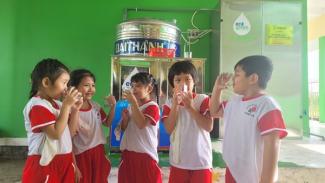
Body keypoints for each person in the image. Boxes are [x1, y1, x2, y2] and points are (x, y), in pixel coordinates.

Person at [210, 55, 288, 183]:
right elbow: (214, 111)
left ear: (253, 78)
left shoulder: (267, 105)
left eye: (237, 75)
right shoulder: (235, 102)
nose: (233, 79)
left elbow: (272, 144)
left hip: (253, 176)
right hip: (233, 170)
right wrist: (217, 89)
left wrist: (266, 180)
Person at [22, 58, 81, 183]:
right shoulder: (37, 105)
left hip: (64, 160)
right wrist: (66, 106)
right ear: (46, 82)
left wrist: (74, 110)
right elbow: (55, 134)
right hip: (45, 163)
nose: (66, 88)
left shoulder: (59, 105)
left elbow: (69, 132)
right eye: (64, 83)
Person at [161, 60, 213, 183]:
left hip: (201, 161)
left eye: (187, 79)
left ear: (194, 81)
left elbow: (208, 126)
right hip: (179, 161)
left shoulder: (203, 99)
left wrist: (190, 107)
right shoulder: (169, 103)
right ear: (172, 84)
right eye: (178, 80)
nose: (183, 83)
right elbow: (168, 129)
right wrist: (175, 105)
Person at [68, 69, 116, 183]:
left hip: (99, 153)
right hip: (81, 156)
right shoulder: (69, 110)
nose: (91, 89)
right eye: (86, 85)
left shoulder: (95, 106)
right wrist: (74, 165)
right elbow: (68, 140)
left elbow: (107, 123)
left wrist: (114, 106)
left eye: (93, 85)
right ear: (74, 87)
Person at [118, 72, 162, 183]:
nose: (134, 89)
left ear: (149, 88)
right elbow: (123, 128)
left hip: (145, 156)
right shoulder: (131, 106)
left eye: (138, 86)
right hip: (128, 154)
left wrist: (133, 103)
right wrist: (125, 119)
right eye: (132, 86)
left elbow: (141, 124)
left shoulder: (153, 107)